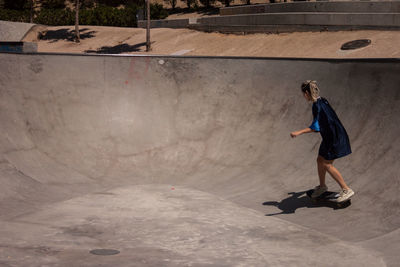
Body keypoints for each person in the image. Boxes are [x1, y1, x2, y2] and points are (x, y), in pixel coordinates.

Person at [290, 80, 354, 202]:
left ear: (307, 93)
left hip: (334, 137)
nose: (304, 97)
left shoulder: (317, 106)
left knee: (327, 164)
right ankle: (322, 186)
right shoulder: (322, 100)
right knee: (320, 160)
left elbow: (316, 128)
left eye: (303, 94)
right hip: (331, 136)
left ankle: (346, 189)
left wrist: (299, 132)